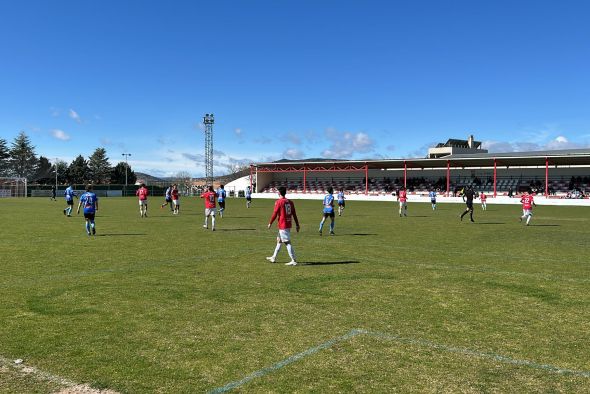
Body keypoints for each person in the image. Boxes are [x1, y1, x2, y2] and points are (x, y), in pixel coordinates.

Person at [266, 186, 300, 266]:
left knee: (287, 242)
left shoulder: (279, 202)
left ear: (279, 192)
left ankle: (293, 260)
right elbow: (294, 214)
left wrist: (270, 223)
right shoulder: (290, 202)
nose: (277, 192)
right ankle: (273, 257)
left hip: (283, 224)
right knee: (279, 240)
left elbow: (274, 213)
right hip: (288, 224)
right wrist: (297, 224)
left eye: (277, 191)